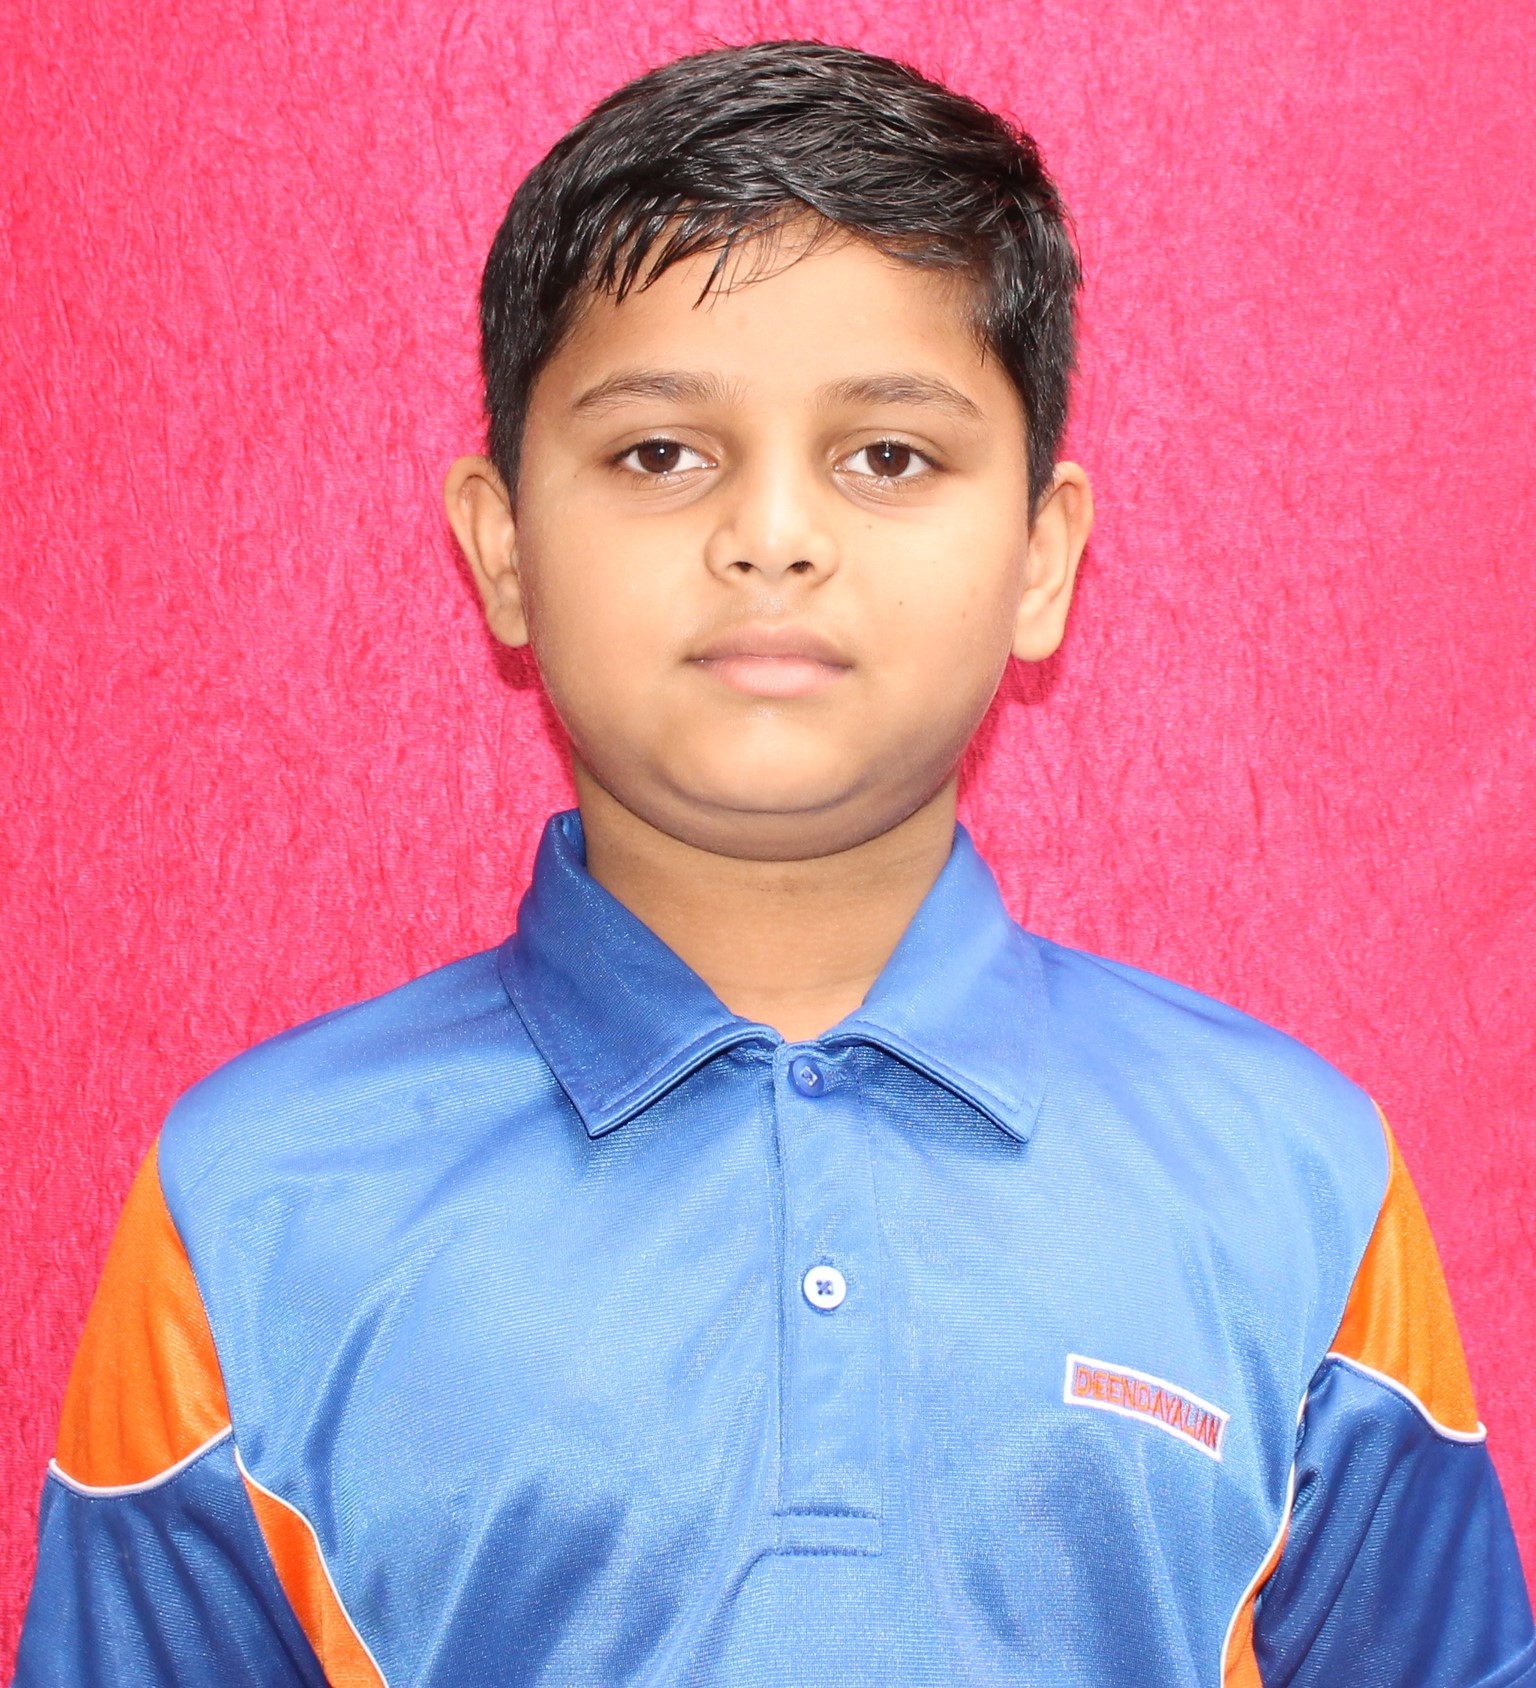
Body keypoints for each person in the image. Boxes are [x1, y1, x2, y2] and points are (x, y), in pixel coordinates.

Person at [12, 39, 1533, 1688]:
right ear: (502, 549)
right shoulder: (255, 1201)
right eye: (660, 453)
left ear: (1042, 559)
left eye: (889, 455)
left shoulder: (1295, 1177)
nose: (774, 536)